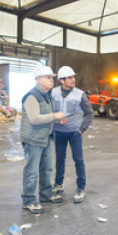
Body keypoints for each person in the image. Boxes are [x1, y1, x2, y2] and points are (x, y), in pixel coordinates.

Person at [20, 66, 67, 214]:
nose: (51, 80)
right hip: (33, 139)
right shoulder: (32, 96)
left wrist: (59, 120)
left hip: (45, 137)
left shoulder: (48, 96)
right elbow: (34, 119)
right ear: (39, 80)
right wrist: (55, 116)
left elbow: (50, 115)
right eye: (48, 77)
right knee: (31, 171)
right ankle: (28, 200)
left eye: (52, 77)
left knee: (46, 168)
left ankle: (45, 194)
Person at [51, 66, 94, 203]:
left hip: (75, 133)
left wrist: (81, 129)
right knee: (59, 160)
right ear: (62, 80)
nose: (73, 80)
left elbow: (90, 113)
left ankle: (81, 188)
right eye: (69, 78)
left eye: (73, 77)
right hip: (59, 133)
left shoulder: (80, 94)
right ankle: (58, 184)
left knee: (78, 160)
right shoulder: (53, 93)